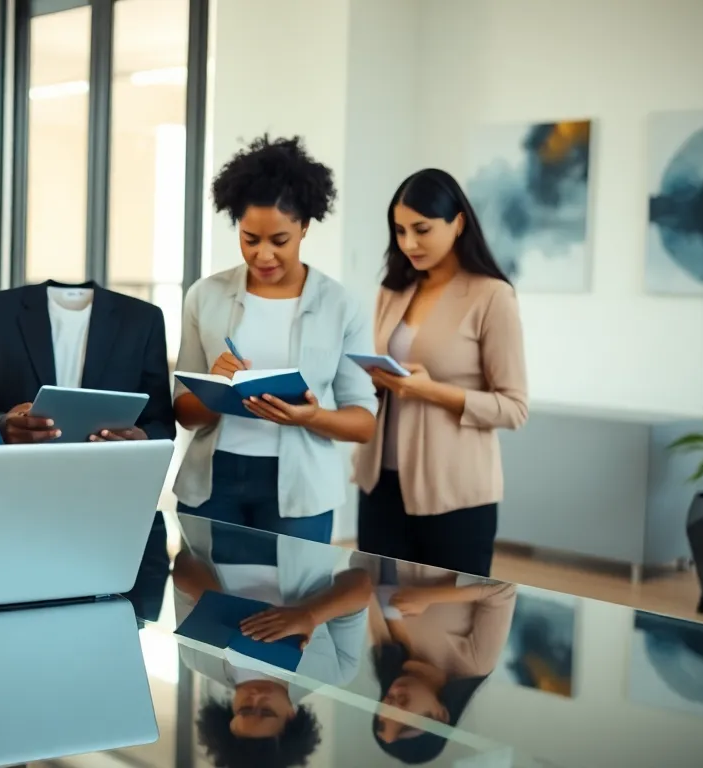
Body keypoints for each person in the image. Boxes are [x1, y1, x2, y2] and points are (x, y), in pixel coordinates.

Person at [171, 134, 378, 543]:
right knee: (207, 584)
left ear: (305, 227)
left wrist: (311, 417)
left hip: (302, 489)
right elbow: (184, 412)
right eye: (250, 239)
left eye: (279, 241)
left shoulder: (341, 305)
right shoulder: (204, 296)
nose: (263, 255)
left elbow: (364, 423)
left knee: (297, 584)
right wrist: (215, 390)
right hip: (212, 482)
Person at [351, 168, 529, 577]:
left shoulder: (493, 296)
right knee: (381, 607)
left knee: (447, 611)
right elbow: (382, 383)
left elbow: (514, 408)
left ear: (458, 223)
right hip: (380, 484)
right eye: (400, 231)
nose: (409, 243)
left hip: (455, 492)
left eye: (422, 229)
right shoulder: (392, 290)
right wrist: (373, 380)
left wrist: (429, 390)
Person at [171, 516, 371, 766]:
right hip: (298, 537)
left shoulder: (197, 658)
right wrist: (309, 614)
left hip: (215, 535)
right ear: (290, 716)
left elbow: (183, 566)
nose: (255, 698)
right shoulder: (336, 671)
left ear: (231, 717)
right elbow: (360, 583)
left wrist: (219, 607)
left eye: (245, 709)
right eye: (266, 711)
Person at [352, 553, 516, 763]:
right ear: (440, 715)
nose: (395, 690)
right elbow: (503, 587)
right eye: (403, 701)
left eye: (388, 699)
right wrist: (430, 596)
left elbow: (363, 564)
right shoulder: (474, 664)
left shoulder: (384, 651)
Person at [0, 280, 176, 443]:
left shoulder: (143, 319)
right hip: (16, 472)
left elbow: (161, 424)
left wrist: (141, 438)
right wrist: (2, 425)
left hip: (111, 474)